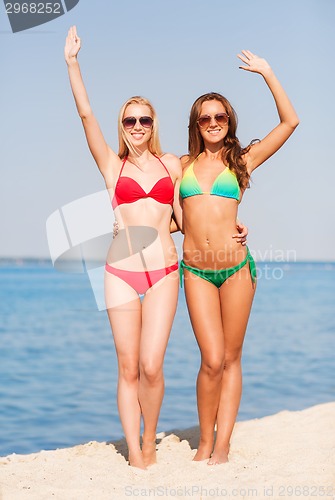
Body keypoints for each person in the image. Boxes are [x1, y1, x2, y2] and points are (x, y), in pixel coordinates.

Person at [64, 26, 184, 469]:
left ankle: (150, 436)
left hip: (165, 272)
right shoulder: (111, 165)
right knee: (128, 366)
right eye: (129, 120)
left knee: (153, 365)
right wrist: (73, 63)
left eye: (144, 120)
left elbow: (183, 217)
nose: (137, 126)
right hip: (119, 274)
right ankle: (135, 451)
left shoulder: (171, 163)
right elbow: (86, 115)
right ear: (123, 126)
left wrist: (231, 224)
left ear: (154, 125)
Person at [179, 50, 299, 465]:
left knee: (231, 358)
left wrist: (268, 71)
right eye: (206, 118)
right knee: (210, 360)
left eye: (221, 117)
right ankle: (204, 441)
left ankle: (222, 443)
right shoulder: (182, 166)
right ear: (196, 125)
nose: (213, 123)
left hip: (237, 270)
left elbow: (290, 123)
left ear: (229, 122)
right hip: (195, 271)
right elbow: (174, 218)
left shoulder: (242, 160)